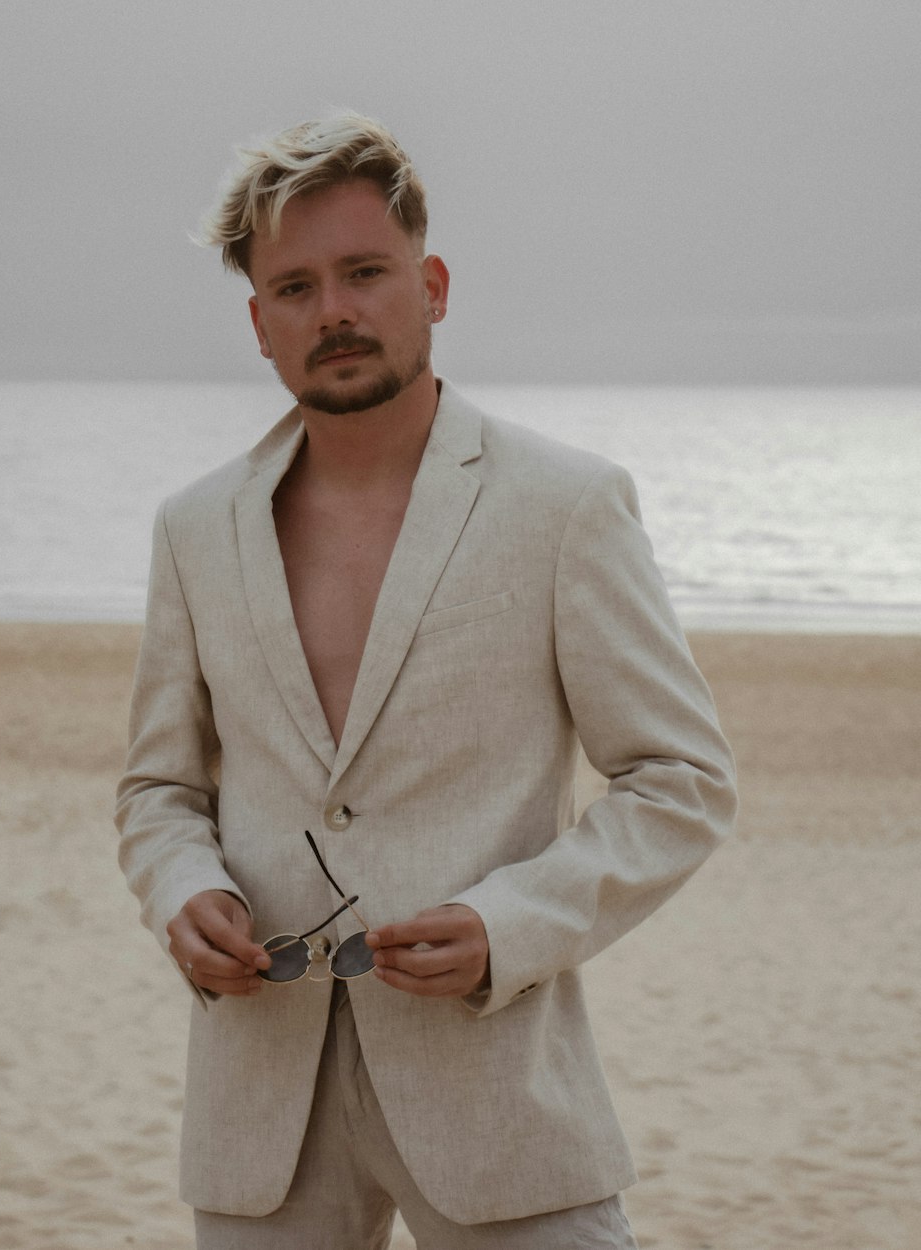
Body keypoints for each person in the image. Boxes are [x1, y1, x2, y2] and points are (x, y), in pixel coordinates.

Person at [115, 112, 737, 1250]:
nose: (335, 310)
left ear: (432, 285)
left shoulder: (563, 505)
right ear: (259, 323)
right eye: (294, 287)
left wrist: (508, 924)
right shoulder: (195, 527)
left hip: (497, 1089)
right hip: (261, 1106)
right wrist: (178, 890)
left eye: (364, 272)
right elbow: (159, 789)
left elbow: (680, 778)